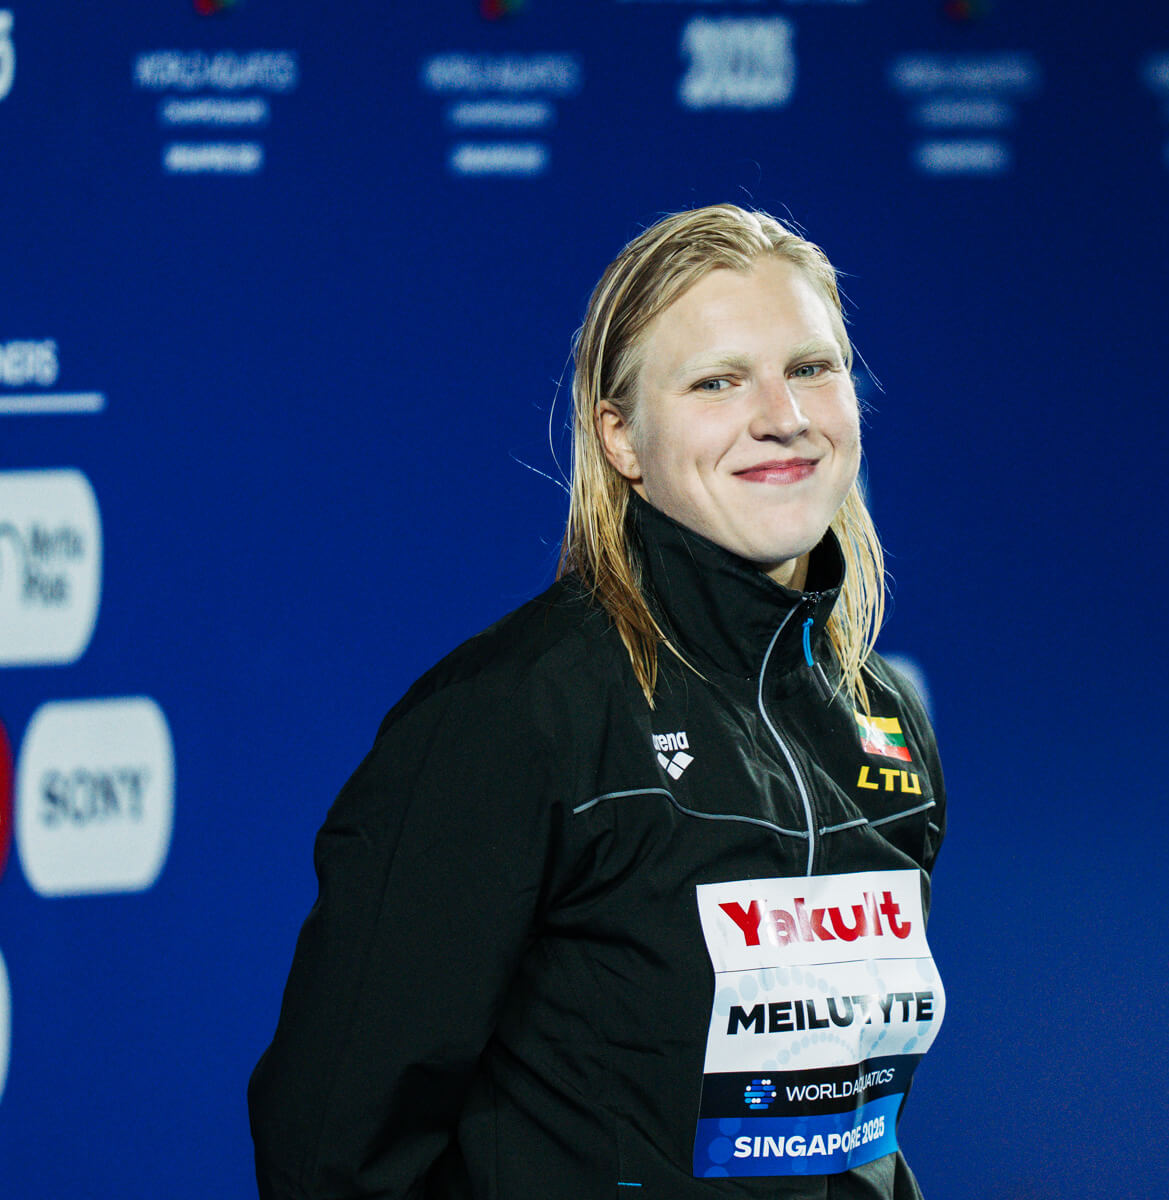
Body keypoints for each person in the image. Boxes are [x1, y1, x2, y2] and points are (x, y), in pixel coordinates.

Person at [248, 204, 948, 1199]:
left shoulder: (880, 726)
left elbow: (848, 1140)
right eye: (716, 382)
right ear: (621, 437)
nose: (782, 415)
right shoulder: (513, 718)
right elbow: (332, 1148)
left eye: (811, 367)